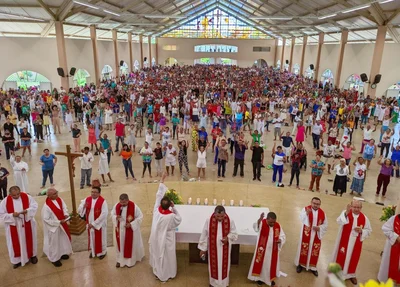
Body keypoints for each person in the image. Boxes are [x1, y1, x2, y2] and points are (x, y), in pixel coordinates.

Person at [149, 173, 182, 282]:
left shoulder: (156, 210)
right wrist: (174, 208)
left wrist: (162, 179)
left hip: (155, 237)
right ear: (170, 205)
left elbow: (158, 195)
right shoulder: (171, 216)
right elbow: (178, 220)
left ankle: (158, 272)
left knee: (158, 255)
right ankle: (168, 274)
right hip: (167, 239)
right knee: (167, 256)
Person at [331, 200, 372, 285]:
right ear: (351, 206)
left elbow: (369, 230)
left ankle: (351, 274)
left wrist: (361, 231)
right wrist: (346, 212)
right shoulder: (346, 213)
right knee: (342, 255)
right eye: (354, 207)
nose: (356, 209)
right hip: (344, 241)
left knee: (353, 258)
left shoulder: (364, 218)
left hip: (356, 243)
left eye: (358, 207)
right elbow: (339, 221)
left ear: (361, 208)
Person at [199, 205, 238, 287]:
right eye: (218, 216)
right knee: (213, 266)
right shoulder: (209, 220)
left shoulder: (230, 220)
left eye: (222, 216)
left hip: (225, 248)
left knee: (224, 266)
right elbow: (204, 234)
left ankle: (224, 283)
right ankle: (213, 283)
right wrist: (203, 248)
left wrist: (228, 238)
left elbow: (234, 233)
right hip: (213, 248)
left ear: (225, 214)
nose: (220, 218)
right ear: (214, 214)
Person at [0, 186, 38, 268]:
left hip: (27, 223)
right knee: (15, 243)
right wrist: (12, 215)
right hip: (14, 226)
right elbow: (1, 214)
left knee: (30, 240)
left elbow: (34, 206)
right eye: (14, 195)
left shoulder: (27, 197)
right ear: (10, 194)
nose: (17, 196)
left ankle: (32, 255)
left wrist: (27, 211)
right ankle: (16, 260)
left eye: (18, 194)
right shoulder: (4, 202)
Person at [248, 211, 285, 287]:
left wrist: (280, 240)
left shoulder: (277, 225)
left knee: (271, 265)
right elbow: (256, 227)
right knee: (262, 264)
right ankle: (260, 279)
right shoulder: (262, 223)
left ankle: (270, 279)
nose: (272, 224)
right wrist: (259, 220)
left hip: (273, 250)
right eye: (270, 222)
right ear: (267, 219)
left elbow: (283, 235)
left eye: (274, 222)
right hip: (262, 250)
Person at [294, 197, 328, 276]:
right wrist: (306, 214)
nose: (316, 205)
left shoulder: (323, 213)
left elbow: (326, 225)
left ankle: (313, 267)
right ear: (311, 202)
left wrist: (319, 228)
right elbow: (301, 218)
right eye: (314, 203)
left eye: (318, 204)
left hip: (316, 235)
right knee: (303, 248)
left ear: (320, 205)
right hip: (306, 234)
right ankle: (300, 265)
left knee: (314, 251)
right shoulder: (306, 209)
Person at [111, 193, 144, 268]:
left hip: (130, 230)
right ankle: (119, 260)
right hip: (120, 230)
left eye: (124, 203)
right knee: (120, 245)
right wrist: (116, 217)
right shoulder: (117, 206)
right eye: (121, 202)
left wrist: (131, 224)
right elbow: (112, 214)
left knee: (130, 245)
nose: (122, 204)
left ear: (128, 200)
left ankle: (130, 262)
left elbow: (140, 217)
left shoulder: (134, 206)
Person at [41, 188, 72, 267]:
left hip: (62, 224)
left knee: (62, 240)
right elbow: (46, 219)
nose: (57, 195)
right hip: (53, 228)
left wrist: (65, 214)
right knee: (54, 243)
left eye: (56, 193)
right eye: (54, 194)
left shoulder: (59, 199)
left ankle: (62, 253)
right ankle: (54, 259)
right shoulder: (46, 206)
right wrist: (58, 222)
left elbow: (64, 207)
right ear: (49, 196)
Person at [78, 186, 108, 259]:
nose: (93, 194)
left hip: (99, 224)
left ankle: (102, 252)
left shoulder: (103, 201)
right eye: (92, 192)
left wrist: (94, 224)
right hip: (89, 223)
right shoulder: (87, 199)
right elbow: (80, 209)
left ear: (99, 193)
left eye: (95, 192)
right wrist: (83, 207)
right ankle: (93, 251)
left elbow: (104, 214)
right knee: (91, 237)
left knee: (101, 238)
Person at [377, 213, 400, 283]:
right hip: (392, 246)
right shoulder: (395, 218)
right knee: (388, 264)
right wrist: (396, 237)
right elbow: (385, 228)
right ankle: (385, 280)